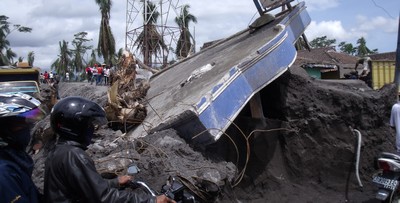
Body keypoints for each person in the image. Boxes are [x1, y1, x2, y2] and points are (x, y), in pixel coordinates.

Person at [44, 96, 175, 203]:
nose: (92, 129)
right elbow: (104, 198)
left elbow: (88, 186)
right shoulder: (74, 155)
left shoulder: (59, 151)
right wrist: (152, 201)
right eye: (89, 125)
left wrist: (115, 182)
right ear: (76, 127)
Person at [0, 92, 46, 203]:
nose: (27, 129)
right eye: (20, 125)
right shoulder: (4, 173)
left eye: (27, 124)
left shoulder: (13, 160)